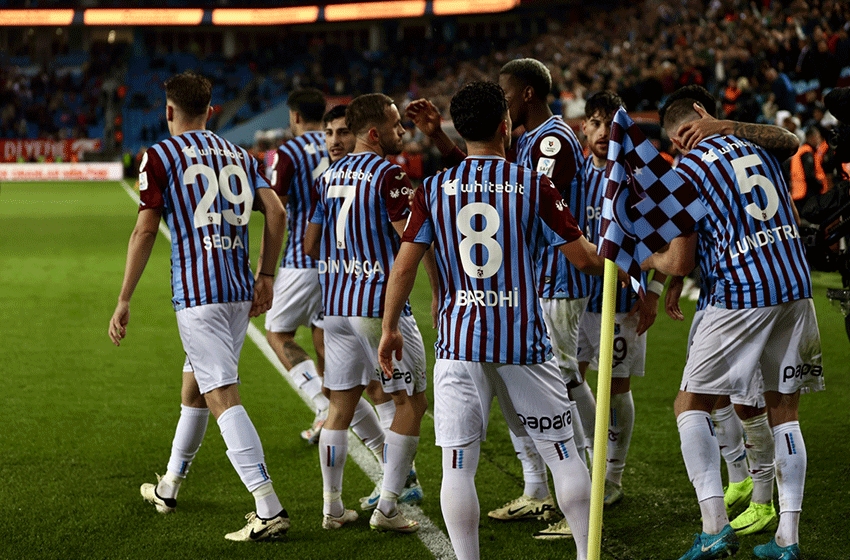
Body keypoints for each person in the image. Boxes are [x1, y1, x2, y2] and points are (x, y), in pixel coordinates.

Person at [378, 80, 612, 560]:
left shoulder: (434, 189)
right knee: (564, 455)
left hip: (459, 341)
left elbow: (403, 266)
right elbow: (584, 259)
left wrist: (389, 328)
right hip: (524, 338)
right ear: (506, 125)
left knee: (458, 466)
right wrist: (625, 259)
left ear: (457, 131)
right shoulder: (534, 184)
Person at [107, 71, 290, 541]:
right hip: (236, 290)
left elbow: (146, 230)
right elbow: (277, 211)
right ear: (212, 110)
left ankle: (268, 506)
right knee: (195, 388)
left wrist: (124, 298)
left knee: (220, 392)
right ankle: (169, 485)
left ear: (169, 111)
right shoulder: (239, 154)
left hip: (198, 295)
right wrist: (266, 274)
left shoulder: (160, 155)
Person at [648, 86, 823, 560]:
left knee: (691, 404)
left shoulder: (684, 171)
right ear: (704, 113)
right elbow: (789, 139)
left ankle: (714, 529)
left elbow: (680, 262)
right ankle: (786, 539)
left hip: (741, 293)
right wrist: (725, 125)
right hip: (794, 285)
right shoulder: (758, 143)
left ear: (677, 136)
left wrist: (646, 255)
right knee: (785, 412)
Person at [304, 93, 435, 533]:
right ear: (375, 133)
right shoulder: (390, 175)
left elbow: (312, 242)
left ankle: (333, 507)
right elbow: (411, 241)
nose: (404, 132)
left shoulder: (328, 176)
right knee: (411, 401)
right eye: (397, 125)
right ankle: (390, 506)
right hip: (374, 307)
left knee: (339, 407)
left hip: (335, 306)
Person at [574, 90, 666, 513]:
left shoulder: (639, 178)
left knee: (614, 388)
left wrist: (654, 293)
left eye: (610, 123)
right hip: (574, 299)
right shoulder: (572, 175)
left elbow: (673, 233)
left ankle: (612, 475)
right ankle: (582, 464)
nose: (601, 131)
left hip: (622, 303)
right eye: (594, 122)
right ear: (583, 127)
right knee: (565, 382)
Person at [264, 87, 332, 444]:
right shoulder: (340, 145)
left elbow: (277, 209)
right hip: (338, 262)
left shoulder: (287, 152)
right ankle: (331, 422)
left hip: (301, 259)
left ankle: (322, 405)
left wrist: (265, 267)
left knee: (276, 331)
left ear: (294, 116)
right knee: (324, 342)